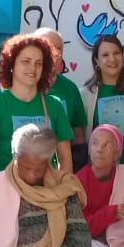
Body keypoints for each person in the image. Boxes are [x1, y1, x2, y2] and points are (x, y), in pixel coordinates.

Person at [0, 32, 73, 188]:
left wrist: (65, 190)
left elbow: (65, 156)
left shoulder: (54, 106)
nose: (32, 68)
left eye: (38, 63)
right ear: (11, 65)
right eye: (26, 61)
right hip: (3, 190)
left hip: (45, 193)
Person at [81, 34, 124, 165]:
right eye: (105, 55)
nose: (112, 59)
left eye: (116, 53)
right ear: (96, 61)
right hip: (99, 171)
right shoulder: (85, 94)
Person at [36, 28, 89, 167]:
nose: (55, 53)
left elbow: (78, 136)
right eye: (49, 46)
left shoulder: (70, 88)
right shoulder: (20, 87)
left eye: (59, 48)